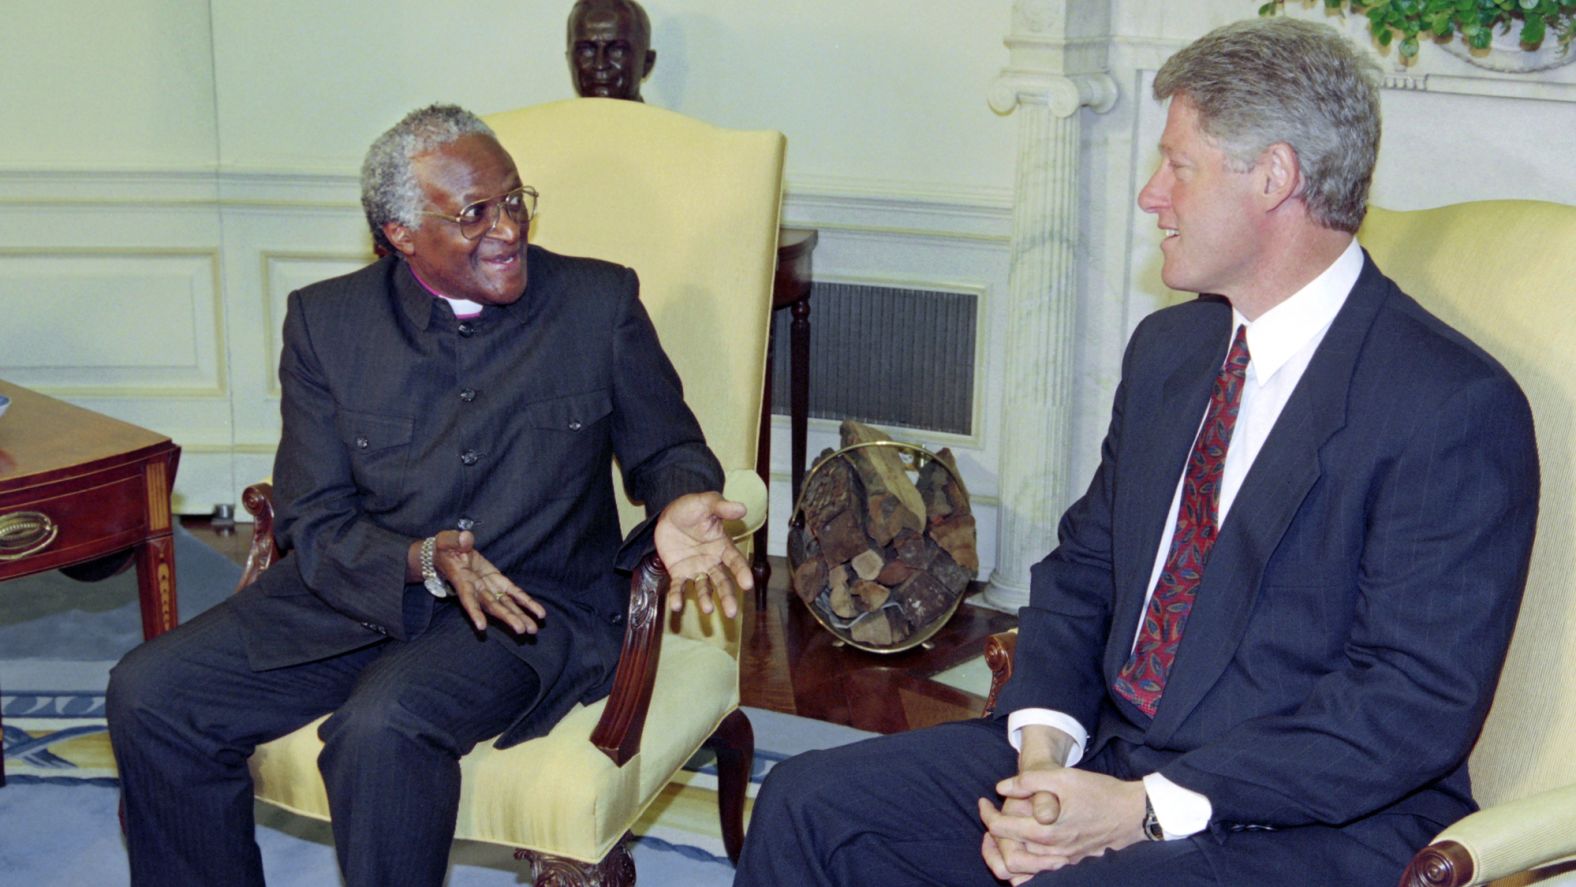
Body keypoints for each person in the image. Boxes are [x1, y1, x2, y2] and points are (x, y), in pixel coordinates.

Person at [733, 17, 1539, 887]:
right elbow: (1085, 570)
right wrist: (1044, 758)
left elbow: (1407, 708)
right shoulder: (1171, 354)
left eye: (1179, 166)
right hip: (1115, 754)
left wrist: (1147, 806)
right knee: (809, 803)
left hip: (1306, 816)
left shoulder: (1448, 405)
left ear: (1273, 177)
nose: (1152, 195)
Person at [106, 103, 752, 886]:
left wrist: (684, 495)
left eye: (515, 199)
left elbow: (669, 447)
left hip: (528, 605)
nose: (509, 228)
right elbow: (312, 517)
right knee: (152, 692)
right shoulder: (326, 323)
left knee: (382, 727)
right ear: (399, 234)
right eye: (473, 213)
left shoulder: (597, 303)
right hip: (354, 589)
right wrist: (417, 559)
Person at [566, 0, 656, 102]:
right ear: (569, 60)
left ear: (647, 62)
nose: (600, 65)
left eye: (617, 51)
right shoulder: (547, 117)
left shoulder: (669, 119)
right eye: (586, 51)